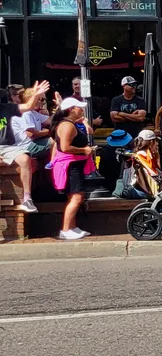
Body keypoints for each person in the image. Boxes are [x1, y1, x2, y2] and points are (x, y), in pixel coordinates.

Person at [0, 80, 52, 214]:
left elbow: (28, 106)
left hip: (8, 146)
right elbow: (31, 133)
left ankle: (27, 199)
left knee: (25, 159)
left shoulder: (7, 108)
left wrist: (36, 95)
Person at [49, 97, 95, 240]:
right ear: (71, 110)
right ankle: (66, 229)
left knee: (73, 197)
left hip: (73, 165)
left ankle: (72, 227)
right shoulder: (67, 125)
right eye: (79, 107)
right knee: (77, 196)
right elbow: (65, 147)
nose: (82, 109)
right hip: (71, 166)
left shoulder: (68, 124)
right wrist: (84, 150)